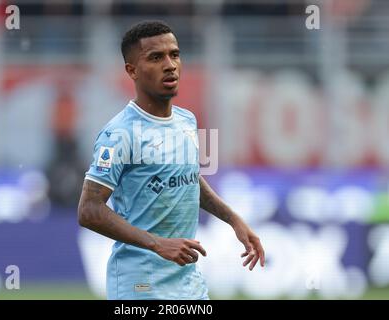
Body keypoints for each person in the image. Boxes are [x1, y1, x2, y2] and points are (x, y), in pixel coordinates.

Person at [77, 20, 265, 300]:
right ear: (132, 70)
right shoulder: (119, 134)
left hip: (188, 283)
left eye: (174, 54)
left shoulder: (186, 120)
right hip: (141, 285)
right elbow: (89, 210)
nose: (170, 64)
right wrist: (157, 244)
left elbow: (186, 178)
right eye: (155, 57)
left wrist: (233, 219)